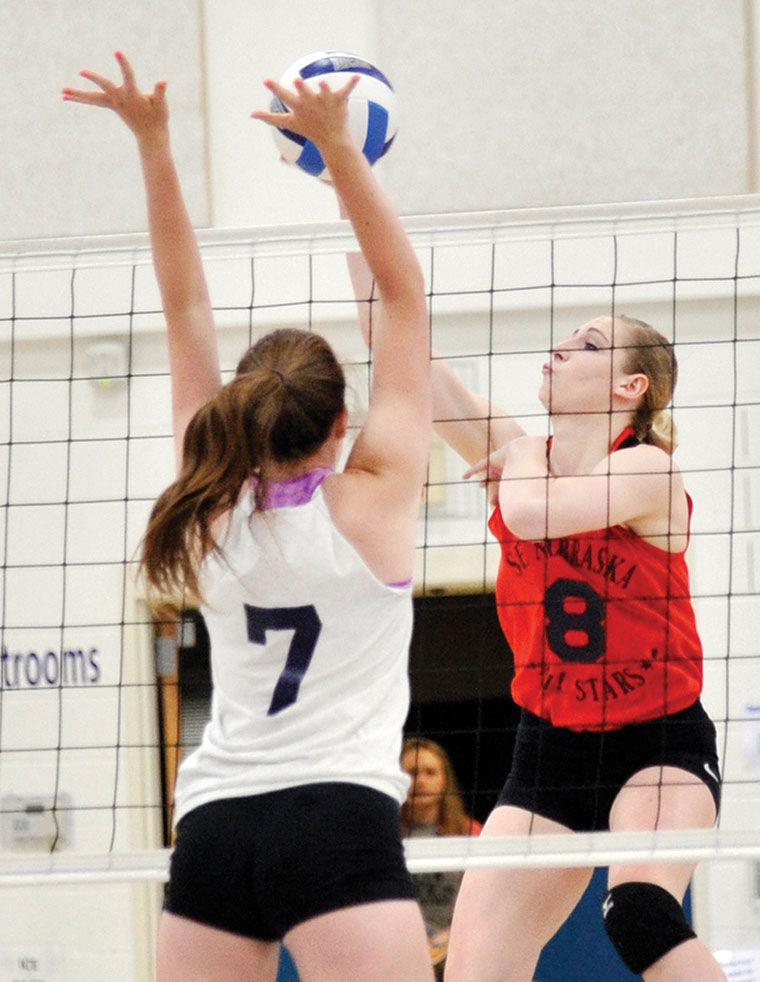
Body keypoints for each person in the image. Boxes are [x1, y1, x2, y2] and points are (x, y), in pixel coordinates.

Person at [63, 52, 434, 982]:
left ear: (238, 412)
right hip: (335, 819)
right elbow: (402, 296)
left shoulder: (210, 498)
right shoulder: (373, 495)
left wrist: (152, 143)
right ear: (341, 424)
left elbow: (184, 304)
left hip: (217, 826)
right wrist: (343, 153)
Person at [346, 240, 726, 982]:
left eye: (588, 344)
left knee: (639, 914)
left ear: (630, 388)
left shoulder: (649, 467)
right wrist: (342, 179)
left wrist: (519, 458)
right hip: (548, 749)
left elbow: (526, 510)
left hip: (657, 744)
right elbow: (392, 345)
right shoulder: (519, 452)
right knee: (476, 967)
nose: (560, 347)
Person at [401, 737, 482, 980]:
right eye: (412, 773)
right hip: (399, 949)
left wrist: (449, 939)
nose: (421, 782)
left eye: (430, 772)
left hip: (458, 948)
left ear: (444, 779)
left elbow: (484, 903)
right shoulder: (382, 837)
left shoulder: (471, 833)